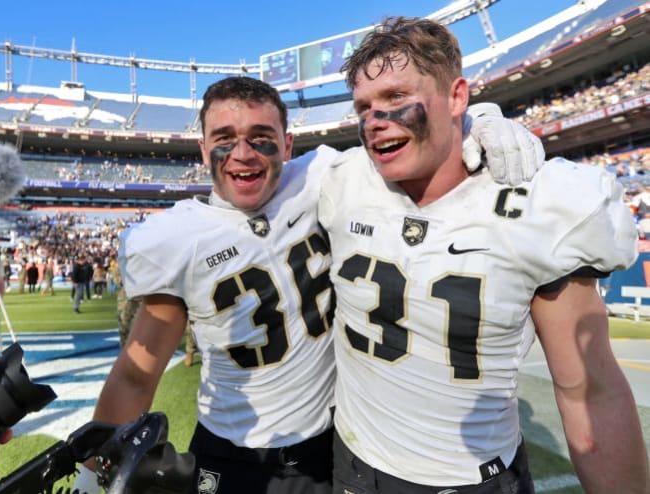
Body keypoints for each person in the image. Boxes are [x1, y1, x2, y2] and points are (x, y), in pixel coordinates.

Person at [75, 76, 545, 494]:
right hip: (231, 451)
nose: (243, 153)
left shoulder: (320, 177)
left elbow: (411, 142)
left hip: (328, 444)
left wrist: (474, 119)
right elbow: (138, 371)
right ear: (202, 149)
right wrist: (96, 464)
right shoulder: (173, 239)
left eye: (262, 139)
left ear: (287, 144)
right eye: (224, 139)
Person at [318, 17, 649, 493]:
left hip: (474, 480)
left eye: (396, 97)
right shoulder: (341, 180)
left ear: (456, 97)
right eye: (364, 107)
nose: (375, 120)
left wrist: (480, 120)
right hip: (355, 463)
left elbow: (589, 391)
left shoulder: (538, 203)